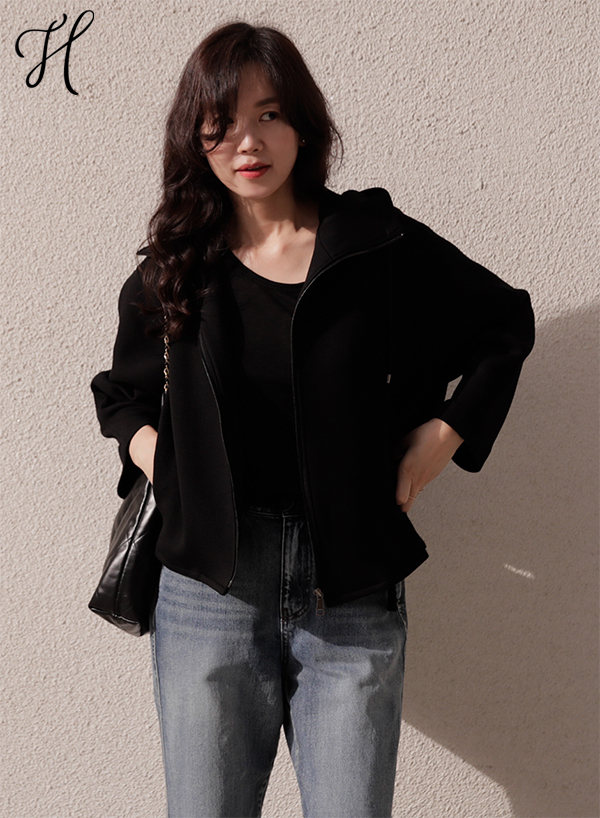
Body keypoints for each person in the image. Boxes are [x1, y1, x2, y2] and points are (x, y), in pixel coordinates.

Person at [91, 20, 535, 818]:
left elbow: (504, 323)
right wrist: (167, 463)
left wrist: (443, 437)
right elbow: (121, 395)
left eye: (269, 114)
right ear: (196, 136)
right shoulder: (178, 266)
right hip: (210, 590)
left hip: (351, 587)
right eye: (221, 121)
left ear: (302, 124)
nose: (248, 141)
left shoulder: (373, 247)